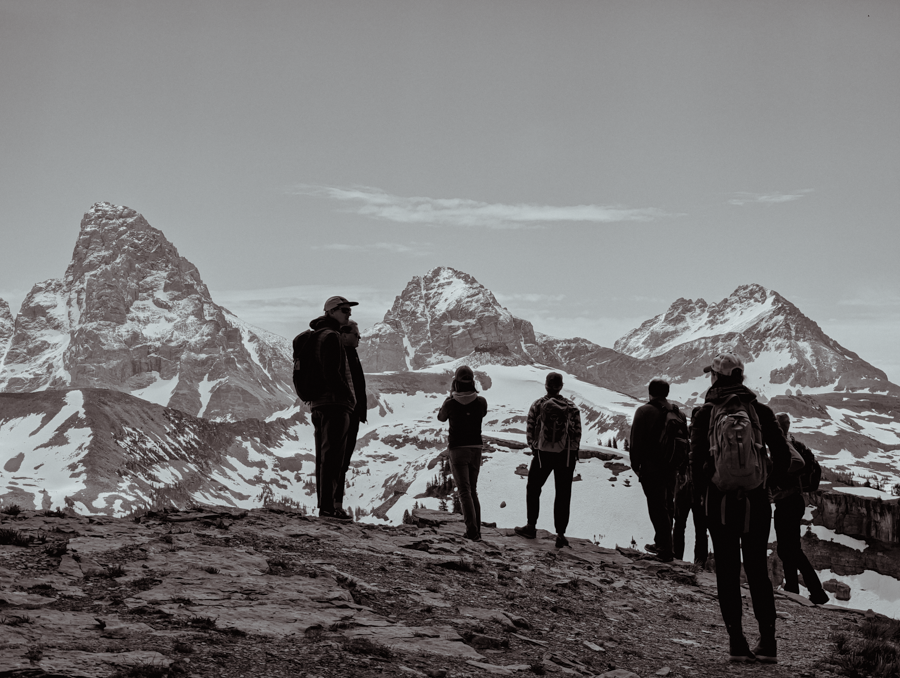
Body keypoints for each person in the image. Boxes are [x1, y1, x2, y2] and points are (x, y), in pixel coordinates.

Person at [690, 353, 791, 664]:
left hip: (719, 504)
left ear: (717, 377)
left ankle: (736, 641)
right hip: (756, 503)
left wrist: (704, 505)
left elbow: (695, 468)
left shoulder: (705, 413)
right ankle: (768, 643)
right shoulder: (760, 411)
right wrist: (765, 484)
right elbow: (784, 458)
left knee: (728, 573)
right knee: (758, 571)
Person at [304, 296, 358, 520]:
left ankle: (325, 506)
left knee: (324, 456)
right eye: (344, 310)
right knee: (334, 457)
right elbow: (331, 372)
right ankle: (328, 508)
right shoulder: (332, 336)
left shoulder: (315, 335)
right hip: (334, 403)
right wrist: (348, 396)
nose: (349, 314)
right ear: (332, 311)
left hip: (318, 403)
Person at [515, 372, 582, 549]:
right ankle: (560, 535)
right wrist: (570, 451)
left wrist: (536, 447)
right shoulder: (571, 407)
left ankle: (531, 527)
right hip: (565, 456)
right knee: (563, 493)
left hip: (542, 455)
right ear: (561, 386)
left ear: (546, 386)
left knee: (534, 487)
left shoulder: (538, 405)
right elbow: (577, 434)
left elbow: (530, 431)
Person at [772, 412, 829, 606]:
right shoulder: (797, 444)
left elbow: (795, 467)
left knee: (790, 549)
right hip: (795, 502)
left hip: (787, 502)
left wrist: (777, 480)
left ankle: (815, 591)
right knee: (789, 549)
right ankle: (793, 590)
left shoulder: (785, 446)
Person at [629, 378, 686, 563]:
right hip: (671, 467)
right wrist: (682, 468)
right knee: (667, 504)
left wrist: (635, 465)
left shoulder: (644, 411)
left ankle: (665, 549)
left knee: (656, 507)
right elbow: (685, 443)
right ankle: (662, 542)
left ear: (650, 392)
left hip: (651, 467)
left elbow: (636, 441)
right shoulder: (678, 413)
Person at [437, 365, 488, 541]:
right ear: (472, 382)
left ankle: (471, 532)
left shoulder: (450, 403)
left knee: (464, 491)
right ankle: (477, 531)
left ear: (455, 382)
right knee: (472, 490)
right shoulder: (481, 402)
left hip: (458, 449)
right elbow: (482, 413)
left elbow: (441, 417)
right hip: (476, 449)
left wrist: (450, 397)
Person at [335, 320, 367, 519]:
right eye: (356, 335)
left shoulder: (351, 354)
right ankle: (333, 506)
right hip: (345, 412)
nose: (359, 338)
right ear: (344, 335)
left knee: (342, 460)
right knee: (339, 459)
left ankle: (335, 505)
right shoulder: (341, 354)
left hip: (351, 412)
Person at [673, 406, 709, 564]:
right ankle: (699, 562)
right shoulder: (707, 438)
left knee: (680, 525)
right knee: (700, 528)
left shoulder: (684, 435)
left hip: (683, 487)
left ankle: (677, 557)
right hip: (698, 489)